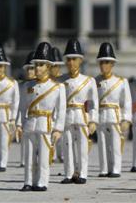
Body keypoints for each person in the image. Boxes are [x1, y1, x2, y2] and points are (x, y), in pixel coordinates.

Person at [16, 42, 66, 191]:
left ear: (48, 67)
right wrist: (20, 124)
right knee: (29, 155)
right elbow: (22, 107)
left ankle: (42, 182)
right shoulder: (27, 86)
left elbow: (61, 110)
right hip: (30, 123)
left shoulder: (57, 87)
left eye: (41, 65)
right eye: (36, 64)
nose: (37, 68)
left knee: (44, 156)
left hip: (46, 124)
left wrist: (58, 128)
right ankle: (28, 181)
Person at [60, 38, 98, 184]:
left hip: (81, 115)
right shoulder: (60, 80)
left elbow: (94, 103)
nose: (71, 62)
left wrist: (93, 120)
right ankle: (69, 174)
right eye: (68, 59)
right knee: (67, 145)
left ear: (80, 60)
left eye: (74, 59)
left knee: (82, 146)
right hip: (66, 115)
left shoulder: (88, 81)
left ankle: (82, 173)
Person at [95, 42, 132, 178]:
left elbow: (127, 101)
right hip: (100, 114)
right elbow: (92, 101)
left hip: (115, 114)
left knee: (115, 142)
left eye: (107, 62)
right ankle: (104, 168)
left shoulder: (121, 81)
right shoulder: (95, 81)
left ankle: (116, 168)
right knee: (102, 143)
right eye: (102, 62)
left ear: (112, 64)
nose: (104, 65)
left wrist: (126, 118)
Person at [19, 50, 36, 167]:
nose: (30, 71)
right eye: (28, 68)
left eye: (32, 68)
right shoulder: (22, 86)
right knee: (26, 142)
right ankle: (25, 161)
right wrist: (18, 123)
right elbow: (20, 105)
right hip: (27, 118)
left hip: (43, 118)